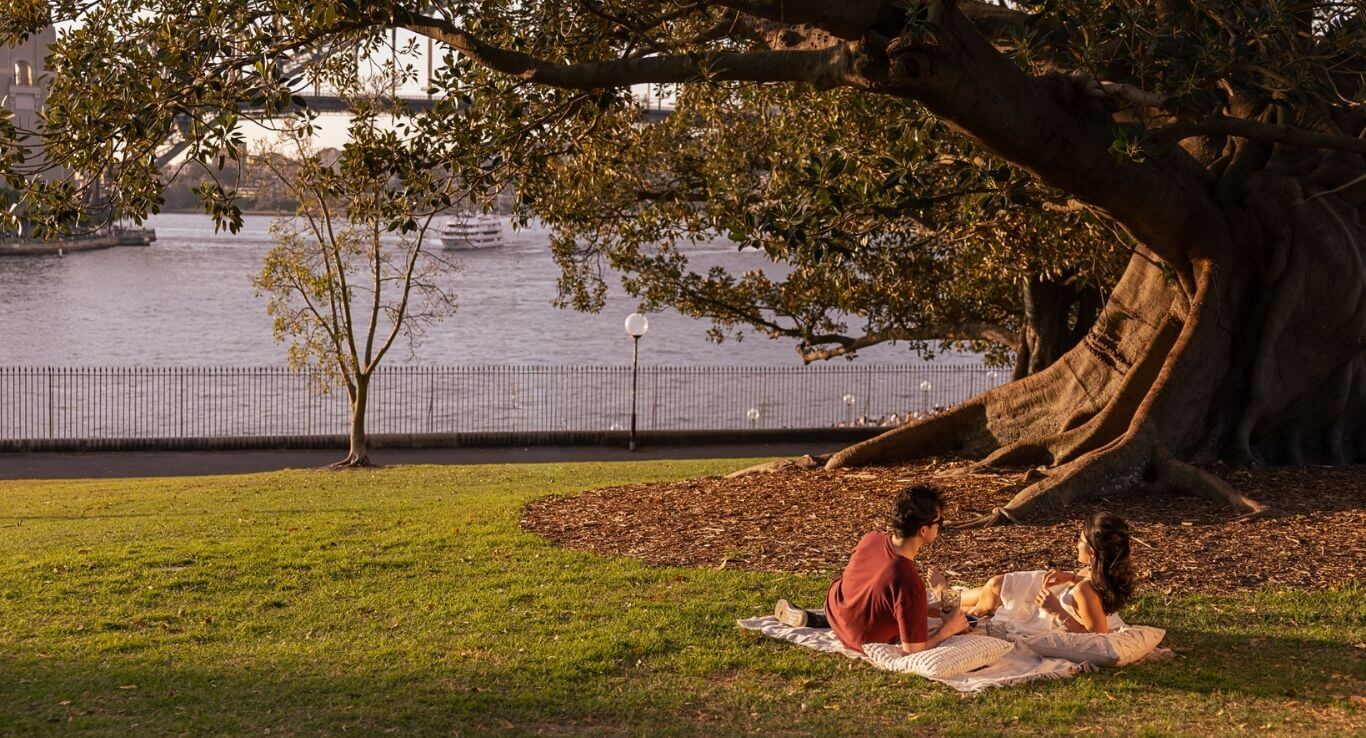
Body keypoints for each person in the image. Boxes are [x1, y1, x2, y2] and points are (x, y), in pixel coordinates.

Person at [772, 484, 971, 653]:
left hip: (835, 609)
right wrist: (948, 630)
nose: (940, 527)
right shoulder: (908, 581)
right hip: (862, 640)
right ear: (923, 530)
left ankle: (817, 620)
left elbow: (877, 589)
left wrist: (924, 610)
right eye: (940, 522)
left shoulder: (871, 539)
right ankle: (827, 622)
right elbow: (913, 650)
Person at [954, 511, 1136, 633]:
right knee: (991, 589)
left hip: (1037, 610)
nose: (1076, 544)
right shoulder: (1102, 573)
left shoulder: (1085, 590)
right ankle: (944, 600)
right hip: (1031, 594)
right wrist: (1072, 577)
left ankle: (948, 605)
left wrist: (1058, 612)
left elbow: (1097, 637)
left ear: (1092, 552)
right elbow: (1095, 586)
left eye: (1080, 540)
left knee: (989, 596)